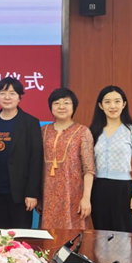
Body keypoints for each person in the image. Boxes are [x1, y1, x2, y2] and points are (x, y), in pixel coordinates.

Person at [0, 77, 44, 229]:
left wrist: (32, 193)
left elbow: (36, 160)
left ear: (19, 97)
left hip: (21, 193)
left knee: (20, 237)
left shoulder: (30, 122)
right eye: (2, 93)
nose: (7, 97)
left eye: (12, 93)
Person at [89, 86, 132, 233]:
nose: (112, 106)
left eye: (117, 101)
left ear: (124, 104)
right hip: (99, 189)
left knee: (124, 235)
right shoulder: (93, 131)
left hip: (124, 190)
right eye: (107, 102)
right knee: (101, 235)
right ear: (101, 105)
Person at [39, 88, 95, 230]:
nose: (61, 107)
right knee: (48, 236)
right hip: (47, 194)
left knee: (72, 235)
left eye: (66, 103)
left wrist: (86, 198)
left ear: (73, 106)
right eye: (57, 103)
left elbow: (89, 168)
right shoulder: (43, 131)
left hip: (73, 194)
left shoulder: (83, 132)